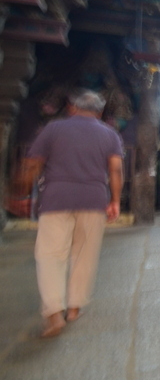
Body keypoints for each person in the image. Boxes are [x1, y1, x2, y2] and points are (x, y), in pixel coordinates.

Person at [19, 89, 123, 338]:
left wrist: (23, 192)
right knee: (84, 255)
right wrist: (115, 201)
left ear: (72, 107)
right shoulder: (110, 134)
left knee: (50, 255)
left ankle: (54, 312)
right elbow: (116, 170)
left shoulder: (53, 129)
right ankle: (74, 308)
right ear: (99, 112)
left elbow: (33, 164)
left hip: (56, 199)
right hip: (93, 199)